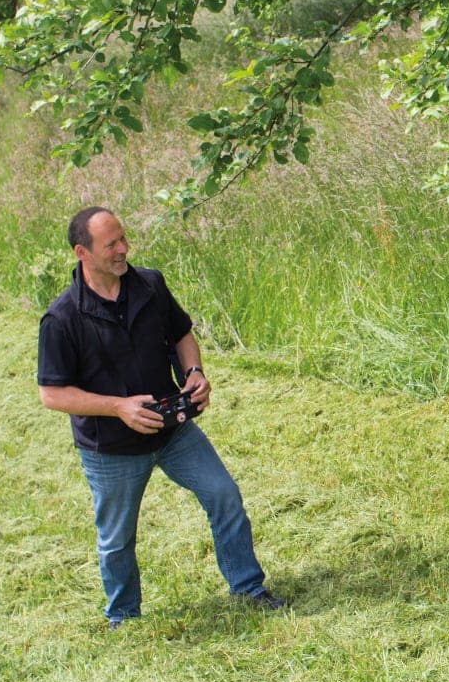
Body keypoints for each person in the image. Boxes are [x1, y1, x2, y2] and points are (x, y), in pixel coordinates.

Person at [35, 206, 287, 628]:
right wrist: (119, 407)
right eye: (111, 244)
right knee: (117, 539)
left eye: (123, 238)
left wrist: (194, 372)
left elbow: (181, 334)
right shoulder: (62, 318)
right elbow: (52, 394)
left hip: (173, 431)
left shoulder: (150, 284)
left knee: (224, 494)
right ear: (82, 252)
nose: (123, 249)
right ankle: (123, 617)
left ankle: (248, 588)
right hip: (111, 449)